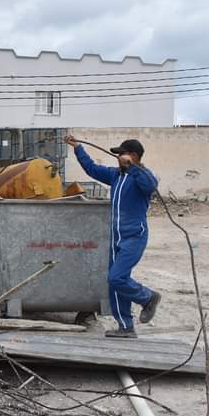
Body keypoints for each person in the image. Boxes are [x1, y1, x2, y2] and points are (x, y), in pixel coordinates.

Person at [65, 135, 162, 338]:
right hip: (116, 237)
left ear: (133, 156)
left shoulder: (141, 177)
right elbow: (92, 169)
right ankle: (125, 327)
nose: (117, 157)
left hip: (135, 237)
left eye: (121, 154)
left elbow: (151, 186)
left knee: (116, 277)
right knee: (116, 283)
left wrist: (134, 167)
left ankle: (148, 298)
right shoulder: (115, 175)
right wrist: (78, 148)